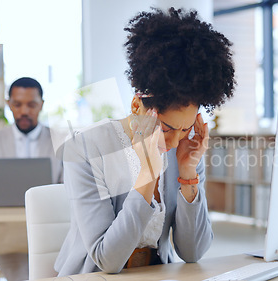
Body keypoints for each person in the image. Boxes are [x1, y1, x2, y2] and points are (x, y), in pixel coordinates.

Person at [54, 8, 235, 276]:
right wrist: (147, 176)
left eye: (185, 129)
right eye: (166, 128)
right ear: (137, 105)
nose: (175, 142)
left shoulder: (185, 152)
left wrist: (188, 176)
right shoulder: (85, 148)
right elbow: (108, 260)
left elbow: (193, 252)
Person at [0, 77, 63, 281]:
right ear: (9, 104)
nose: (24, 111)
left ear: (41, 105)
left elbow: (68, 189)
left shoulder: (61, 140)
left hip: (47, 229)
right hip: (3, 228)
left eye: (31, 105)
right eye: (17, 104)